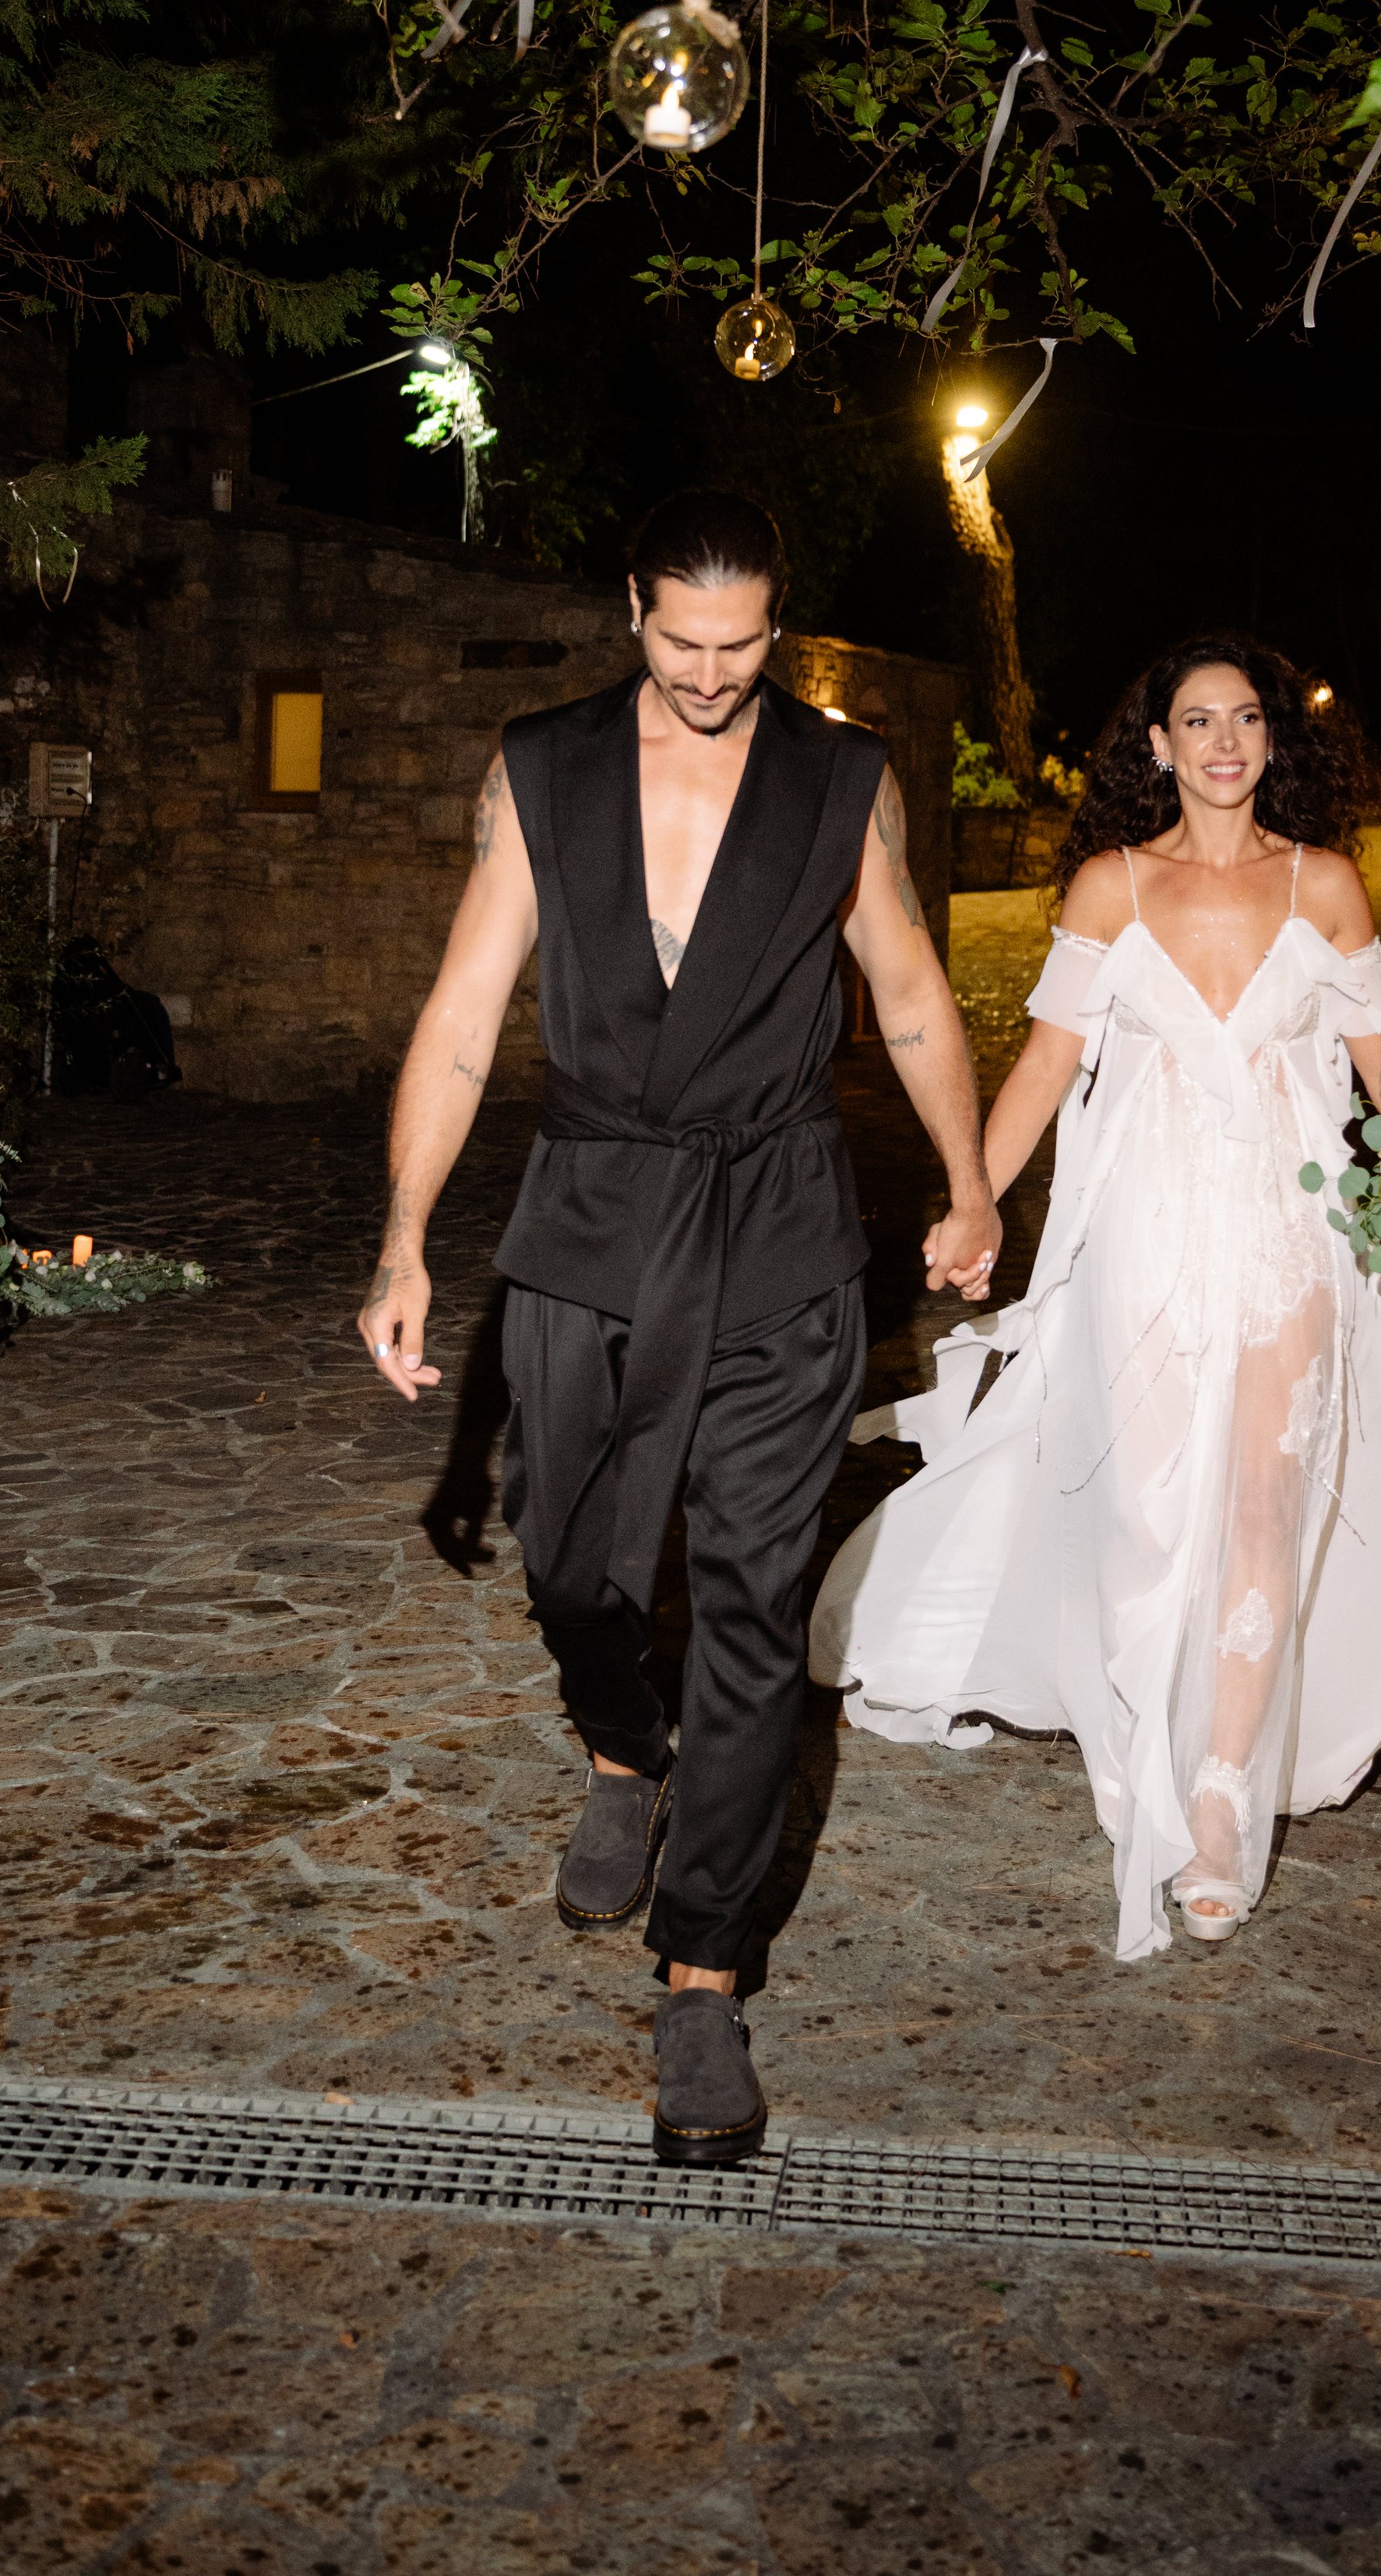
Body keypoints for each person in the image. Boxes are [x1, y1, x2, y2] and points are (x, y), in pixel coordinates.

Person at [358, 490, 1000, 2159]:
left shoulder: (839, 781)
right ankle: (618, 1749)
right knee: (570, 1561)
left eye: (743, 645)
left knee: (748, 1602)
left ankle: (704, 1972)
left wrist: (969, 1182)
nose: (712, 677)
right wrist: (406, 1238)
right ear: (628, 603)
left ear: (772, 625)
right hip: (589, 1218)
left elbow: (913, 991)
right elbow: (456, 1019)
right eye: (680, 641)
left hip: (778, 1229)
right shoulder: (542, 771)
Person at [810, 636, 1381, 1961]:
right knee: (1150, 1514)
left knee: (1265, 1513)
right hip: (1142, 1235)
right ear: (1156, 745)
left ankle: (1216, 1815)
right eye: (1195, 719)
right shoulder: (1110, 887)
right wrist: (978, 1196)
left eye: (1245, 718)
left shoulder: (1327, 887)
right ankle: (1143, 1740)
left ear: (1272, 741)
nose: (1222, 740)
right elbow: (1046, 1062)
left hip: (1290, 1237)